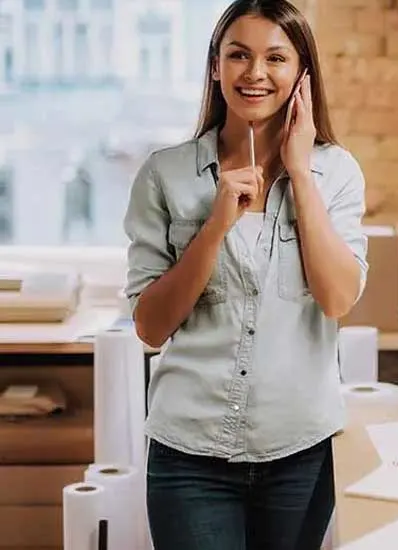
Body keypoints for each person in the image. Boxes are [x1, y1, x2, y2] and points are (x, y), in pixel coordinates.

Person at [122, 0, 368, 548]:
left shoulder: (337, 172)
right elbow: (150, 327)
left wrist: (300, 172)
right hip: (189, 455)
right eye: (238, 55)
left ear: (302, 73)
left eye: (275, 58)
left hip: (299, 453)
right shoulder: (165, 174)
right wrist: (214, 227)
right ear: (216, 66)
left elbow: (337, 298)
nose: (255, 73)